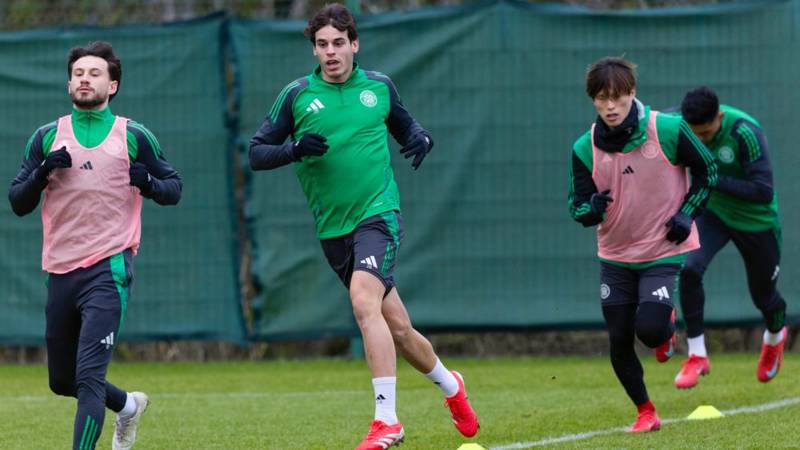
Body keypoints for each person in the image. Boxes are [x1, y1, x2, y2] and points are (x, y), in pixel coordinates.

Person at [248, 4, 478, 449]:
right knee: (399, 330)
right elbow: (258, 153)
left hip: (379, 214)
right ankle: (452, 386)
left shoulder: (379, 87)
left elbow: (410, 129)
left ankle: (386, 420)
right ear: (313, 50)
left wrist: (419, 139)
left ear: (355, 44)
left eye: (339, 43)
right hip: (333, 230)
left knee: (362, 301)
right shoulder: (296, 96)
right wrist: (293, 148)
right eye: (322, 45)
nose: (331, 52)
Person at [8, 41, 182, 450]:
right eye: (79, 73)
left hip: (109, 268)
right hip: (60, 270)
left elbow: (174, 188)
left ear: (113, 85)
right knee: (62, 381)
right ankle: (126, 406)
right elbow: (18, 202)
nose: (85, 79)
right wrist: (42, 173)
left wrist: (149, 183)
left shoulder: (133, 135)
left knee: (87, 380)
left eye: (95, 73)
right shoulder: (47, 136)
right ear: (69, 83)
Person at [568, 57, 717, 432]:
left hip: (661, 250)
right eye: (602, 98)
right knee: (619, 339)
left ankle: (664, 323)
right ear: (593, 101)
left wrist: (687, 214)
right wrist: (591, 210)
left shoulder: (666, 129)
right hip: (615, 256)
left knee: (649, 330)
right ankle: (645, 411)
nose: (611, 106)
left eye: (617, 96)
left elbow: (708, 170)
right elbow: (577, 204)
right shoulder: (585, 148)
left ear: (632, 93)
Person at [673, 86, 788, 389]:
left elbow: (763, 191)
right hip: (715, 215)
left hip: (756, 221)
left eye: (707, 133)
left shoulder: (744, 131)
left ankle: (775, 336)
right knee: (689, 269)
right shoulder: (679, 126)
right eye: (695, 134)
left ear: (720, 116)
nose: (701, 140)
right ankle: (697, 355)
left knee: (764, 297)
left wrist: (711, 177)